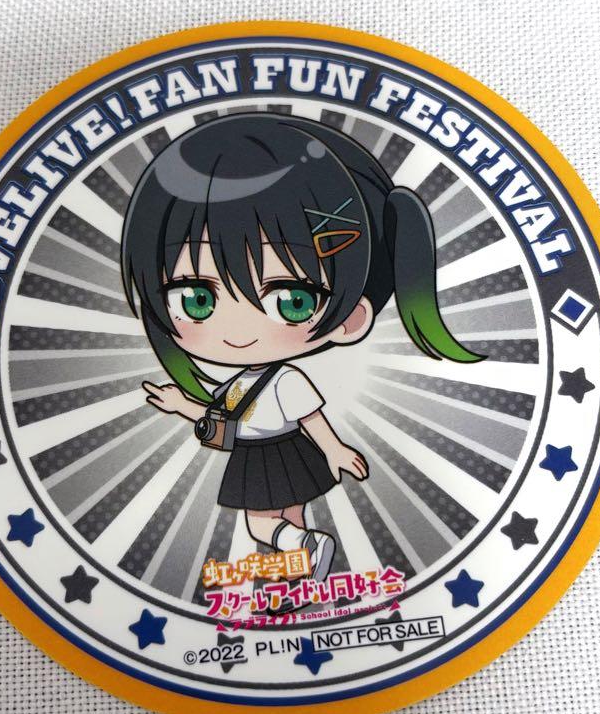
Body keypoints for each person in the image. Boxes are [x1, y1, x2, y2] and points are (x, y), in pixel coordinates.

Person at [119, 113, 478, 580]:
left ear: (350, 320)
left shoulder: (284, 379)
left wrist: (334, 448)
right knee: (290, 513)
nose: (238, 330)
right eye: (196, 299)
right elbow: (219, 415)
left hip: (268, 455)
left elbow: (310, 417)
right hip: (279, 456)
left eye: (292, 301)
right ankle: (297, 574)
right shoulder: (245, 381)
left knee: (261, 523)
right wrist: (180, 404)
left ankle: (301, 548)